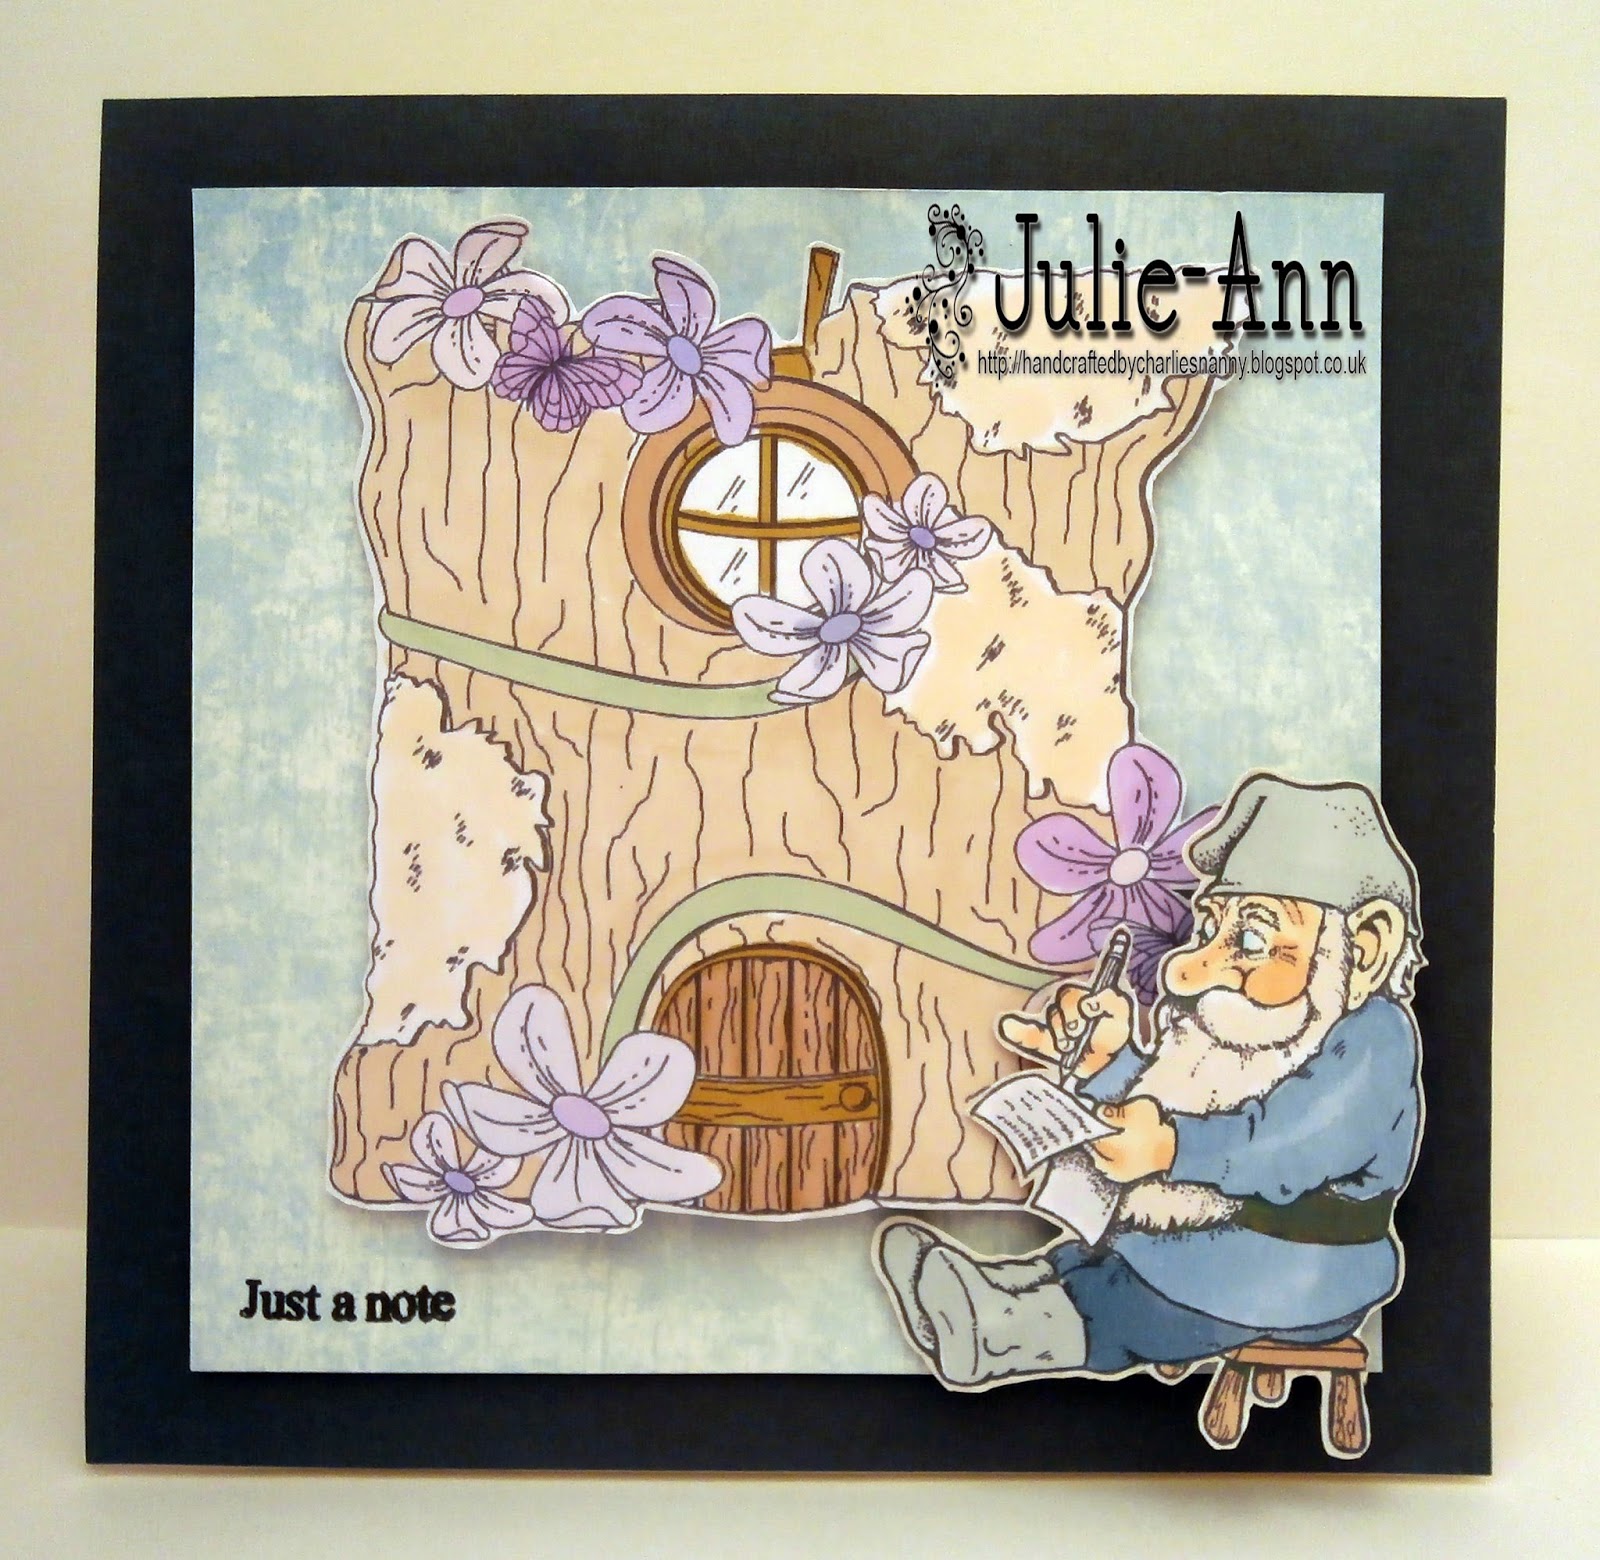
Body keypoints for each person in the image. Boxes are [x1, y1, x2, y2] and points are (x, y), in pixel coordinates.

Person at [875, 773, 1424, 1389]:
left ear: (1365, 947)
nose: (1186, 972)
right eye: (1208, 931)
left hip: (1292, 1273)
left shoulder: (1375, 1039)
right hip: (1197, 1243)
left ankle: (1003, 1336)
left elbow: (1292, 1141)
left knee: (1135, 1302)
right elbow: (1181, 1103)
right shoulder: (1250, 1034)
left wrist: (1171, 1146)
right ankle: (982, 1291)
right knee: (1093, 1258)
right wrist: (1109, 1063)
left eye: (1249, 938)